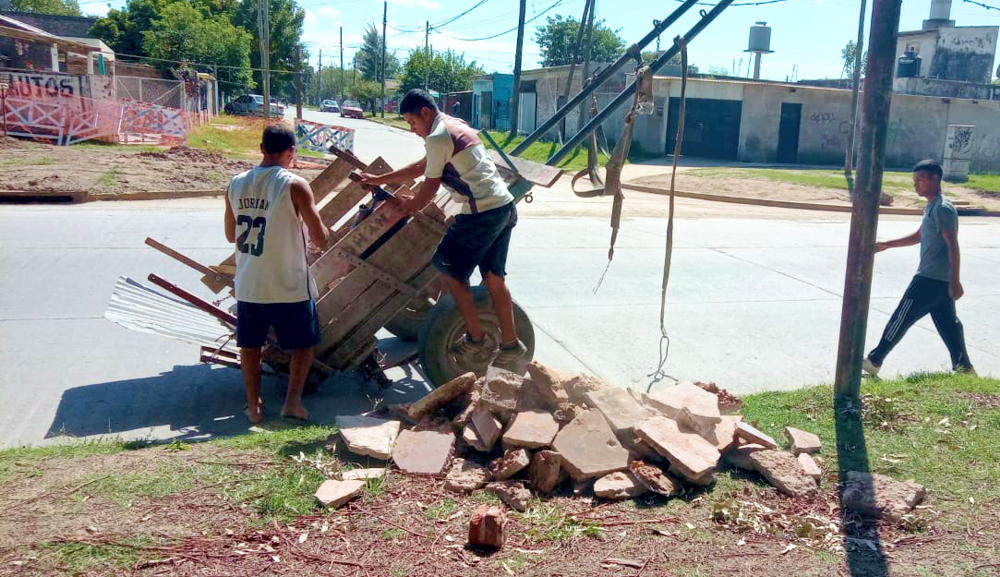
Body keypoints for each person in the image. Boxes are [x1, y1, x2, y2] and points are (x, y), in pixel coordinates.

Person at [360, 88, 527, 373]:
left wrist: (408, 207)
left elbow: (429, 185)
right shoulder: (451, 125)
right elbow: (424, 167)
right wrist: (379, 179)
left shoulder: (438, 136)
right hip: (503, 206)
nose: (413, 131)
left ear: (425, 113)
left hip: (483, 212)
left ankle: (475, 337)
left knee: (447, 269)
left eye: (413, 123)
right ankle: (511, 345)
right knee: (494, 279)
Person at [225, 123, 330, 423]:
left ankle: (253, 407)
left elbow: (231, 234)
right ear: (291, 152)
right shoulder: (294, 184)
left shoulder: (235, 183)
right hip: (288, 284)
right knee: (304, 345)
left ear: (261, 149)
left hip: (249, 283)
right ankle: (292, 404)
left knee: (250, 346)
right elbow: (320, 238)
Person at [863, 159, 975, 377]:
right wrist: (886, 245)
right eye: (915, 180)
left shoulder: (942, 208)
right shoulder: (932, 205)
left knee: (901, 317)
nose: (915, 185)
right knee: (950, 325)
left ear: (935, 179)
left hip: (930, 279)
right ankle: (965, 369)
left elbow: (953, 245)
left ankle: (874, 360)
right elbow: (918, 236)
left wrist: (955, 281)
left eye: (920, 180)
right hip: (938, 281)